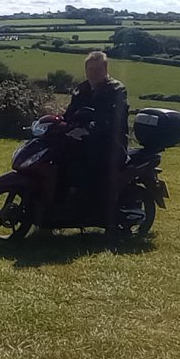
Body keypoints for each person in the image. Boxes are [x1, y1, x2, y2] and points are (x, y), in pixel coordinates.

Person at [58, 50, 128, 227]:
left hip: (110, 144)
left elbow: (113, 119)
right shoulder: (82, 89)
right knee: (58, 158)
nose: (93, 73)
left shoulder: (116, 90)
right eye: (90, 69)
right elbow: (70, 113)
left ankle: (94, 213)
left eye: (97, 70)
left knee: (85, 169)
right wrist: (56, 123)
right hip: (83, 141)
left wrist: (89, 129)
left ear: (105, 69)